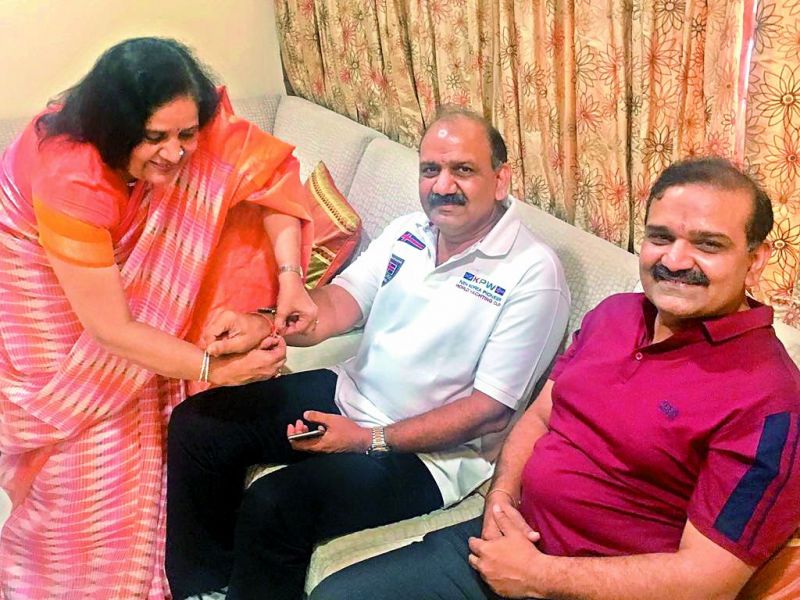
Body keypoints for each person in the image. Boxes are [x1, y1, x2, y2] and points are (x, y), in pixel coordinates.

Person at [310, 157, 800, 600]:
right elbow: (542, 414)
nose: (674, 261)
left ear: (755, 260)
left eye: (707, 245)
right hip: (505, 543)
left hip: (596, 588)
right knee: (339, 594)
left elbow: (707, 580)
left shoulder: (769, 398)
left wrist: (538, 576)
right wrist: (501, 501)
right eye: (660, 237)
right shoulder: (615, 315)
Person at [164, 107, 571, 600]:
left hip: (428, 456)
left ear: (501, 179)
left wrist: (366, 439)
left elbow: (488, 413)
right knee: (198, 424)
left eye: (462, 170)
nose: (442, 185)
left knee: (276, 502)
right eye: (430, 170)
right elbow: (337, 304)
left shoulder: (533, 273)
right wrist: (265, 322)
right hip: (348, 391)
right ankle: (206, 589)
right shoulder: (408, 231)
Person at [0, 37, 318, 599]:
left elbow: (272, 180)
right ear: (115, 128)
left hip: (112, 293)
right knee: (78, 460)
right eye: (154, 138)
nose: (176, 153)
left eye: (186, 135)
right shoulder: (70, 172)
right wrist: (209, 369)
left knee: (145, 431)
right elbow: (113, 330)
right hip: (42, 285)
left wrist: (291, 276)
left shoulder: (194, 123)